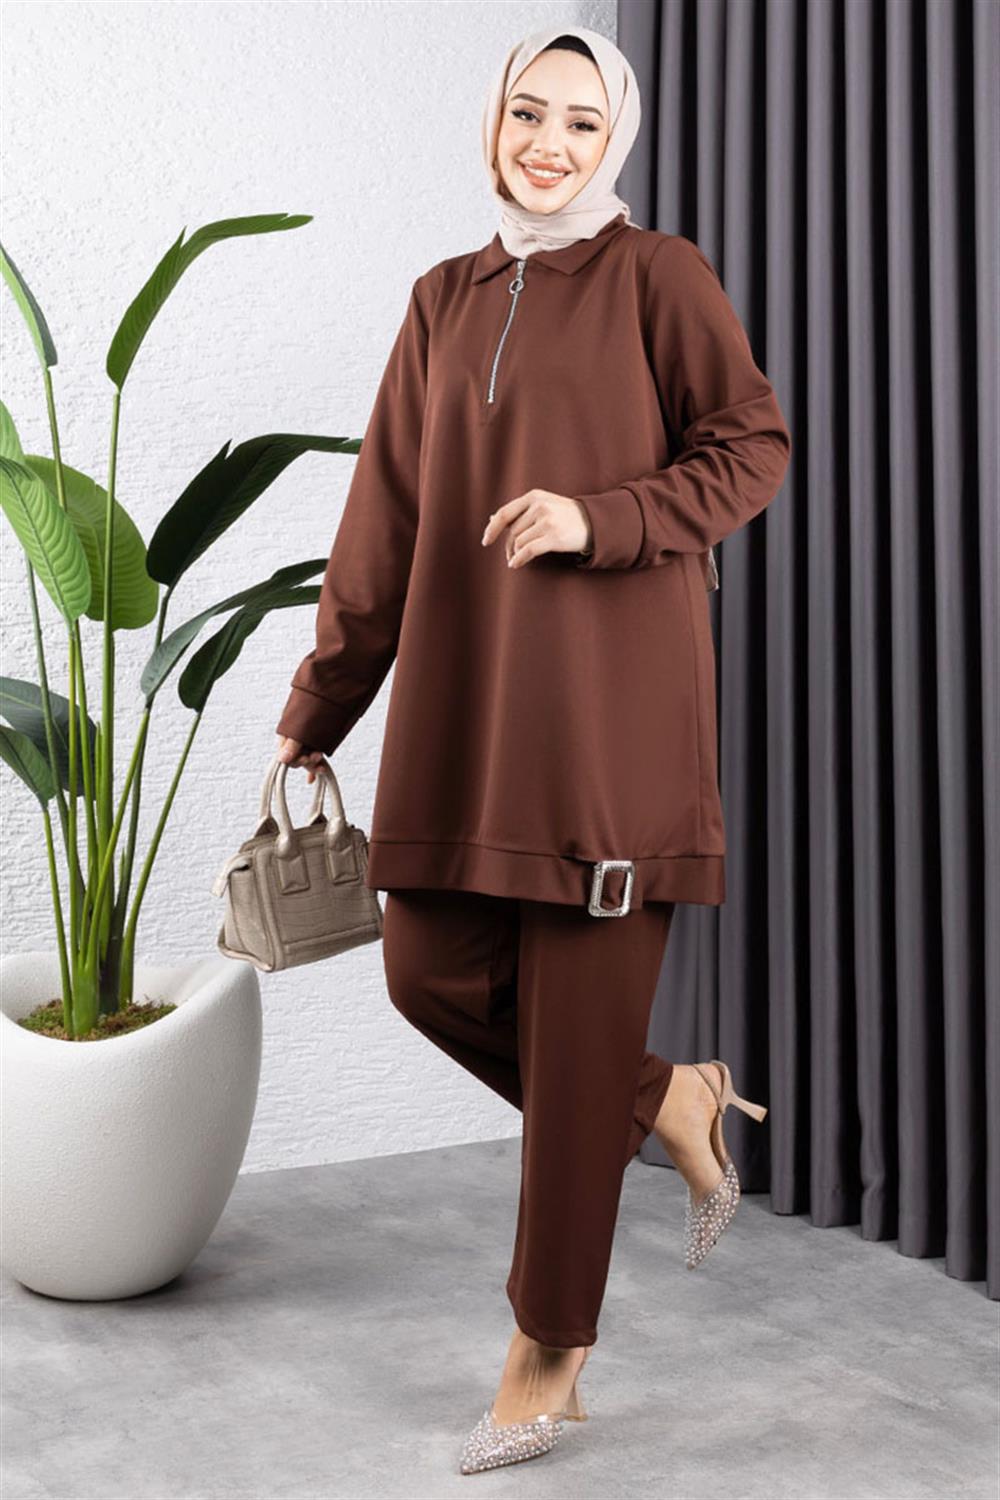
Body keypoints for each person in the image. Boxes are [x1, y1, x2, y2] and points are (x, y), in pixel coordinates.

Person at [275, 23, 790, 1475]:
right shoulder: (443, 298)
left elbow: (752, 446)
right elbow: (384, 517)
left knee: (570, 1041)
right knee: (422, 973)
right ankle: (668, 1097)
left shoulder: (658, 276)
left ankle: (547, 1357)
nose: (549, 143)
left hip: (609, 731)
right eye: (527, 112)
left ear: (613, 138)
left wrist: (600, 516)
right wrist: (321, 706)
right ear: (493, 122)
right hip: (465, 721)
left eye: (580, 121)